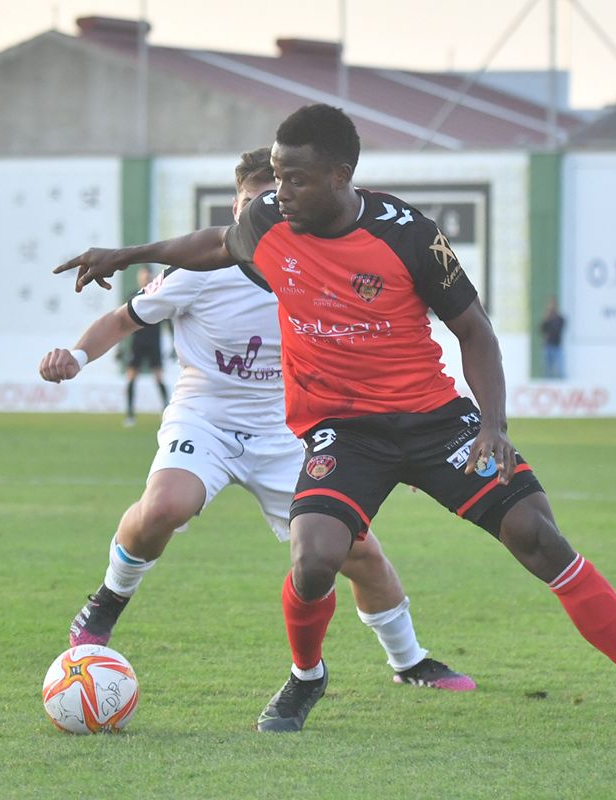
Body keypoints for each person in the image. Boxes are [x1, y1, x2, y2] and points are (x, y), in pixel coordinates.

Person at [54, 104, 616, 741]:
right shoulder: (267, 220)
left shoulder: (407, 236)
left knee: (539, 537)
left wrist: (493, 425)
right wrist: (130, 254)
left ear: (339, 177)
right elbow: (215, 243)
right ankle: (305, 678)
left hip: (436, 420)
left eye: (296, 178)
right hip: (344, 431)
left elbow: (476, 332)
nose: (280, 191)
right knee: (316, 558)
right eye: (277, 175)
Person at [38, 147, 475, 692]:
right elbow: (123, 319)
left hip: (289, 432)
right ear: (236, 205)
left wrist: (401, 449)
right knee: (166, 506)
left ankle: (409, 661)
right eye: (252, 203)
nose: (263, 214)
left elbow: (370, 355)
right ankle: (105, 603)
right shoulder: (198, 271)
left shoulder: (318, 268)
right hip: (206, 419)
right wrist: (76, 357)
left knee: (357, 552)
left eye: (276, 201)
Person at [122, 265, 169, 426]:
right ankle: (130, 414)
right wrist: (120, 347)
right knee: (131, 378)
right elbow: (122, 323)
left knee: (158, 377)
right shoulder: (132, 297)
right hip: (137, 343)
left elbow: (168, 323)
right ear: (139, 278)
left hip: (154, 342)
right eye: (143, 276)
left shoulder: (159, 297)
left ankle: (166, 411)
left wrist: (173, 346)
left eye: (148, 276)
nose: (145, 278)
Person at [540, 296, 566, 379]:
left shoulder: (560, 319)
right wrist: (546, 319)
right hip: (547, 346)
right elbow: (542, 330)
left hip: (557, 346)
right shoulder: (547, 318)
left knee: (559, 370)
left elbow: (559, 329)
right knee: (547, 370)